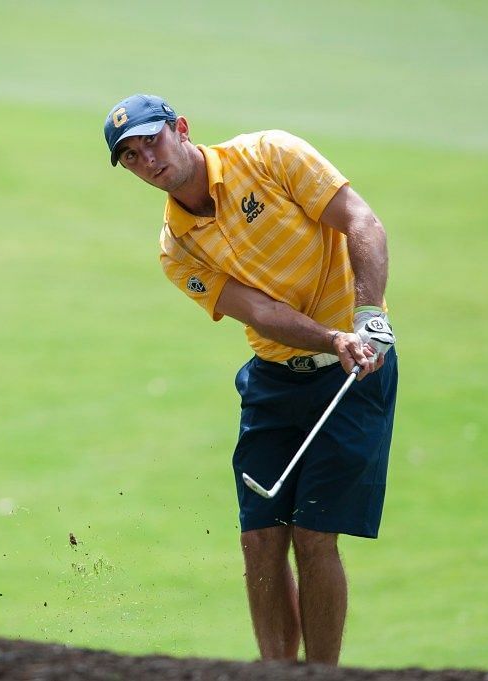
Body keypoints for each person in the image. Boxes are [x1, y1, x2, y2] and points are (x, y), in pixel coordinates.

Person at [102, 94, 398, 665]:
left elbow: (361, 221)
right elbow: (261, 313)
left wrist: (366, 320)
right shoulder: (177, 248)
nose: (148, 161)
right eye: (131, 157)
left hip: (357, 372)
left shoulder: (270, 155)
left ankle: (319, 675)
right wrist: (333, 339)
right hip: (277, 375)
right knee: (259, 539)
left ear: (181, 128)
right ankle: (273, 674)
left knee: (315, 538)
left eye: (152, 142)